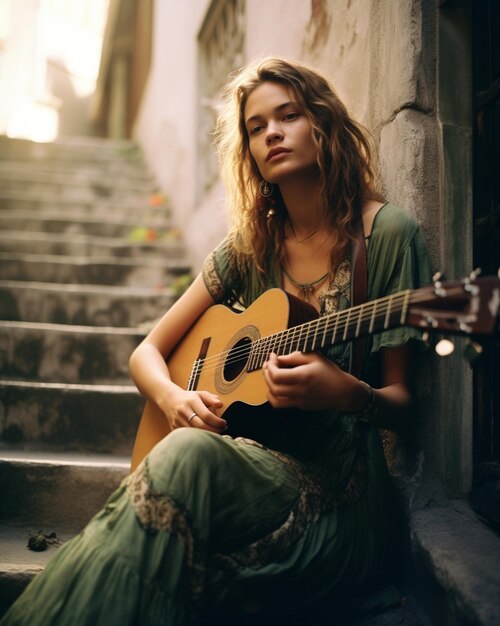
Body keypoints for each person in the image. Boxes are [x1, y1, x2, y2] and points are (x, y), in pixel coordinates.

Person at [1, 57, 432, 626]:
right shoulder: (251, 247)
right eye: (256, 127)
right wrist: (174, 399)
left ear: (323, 122)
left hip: (343, 501)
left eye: (289, 115)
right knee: (180, 460)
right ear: (249, 150)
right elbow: (146, 353)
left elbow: (408, 407)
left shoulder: (387, 236)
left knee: (182, 464)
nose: (272, 133)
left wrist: (350, 393)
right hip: (245, 466)